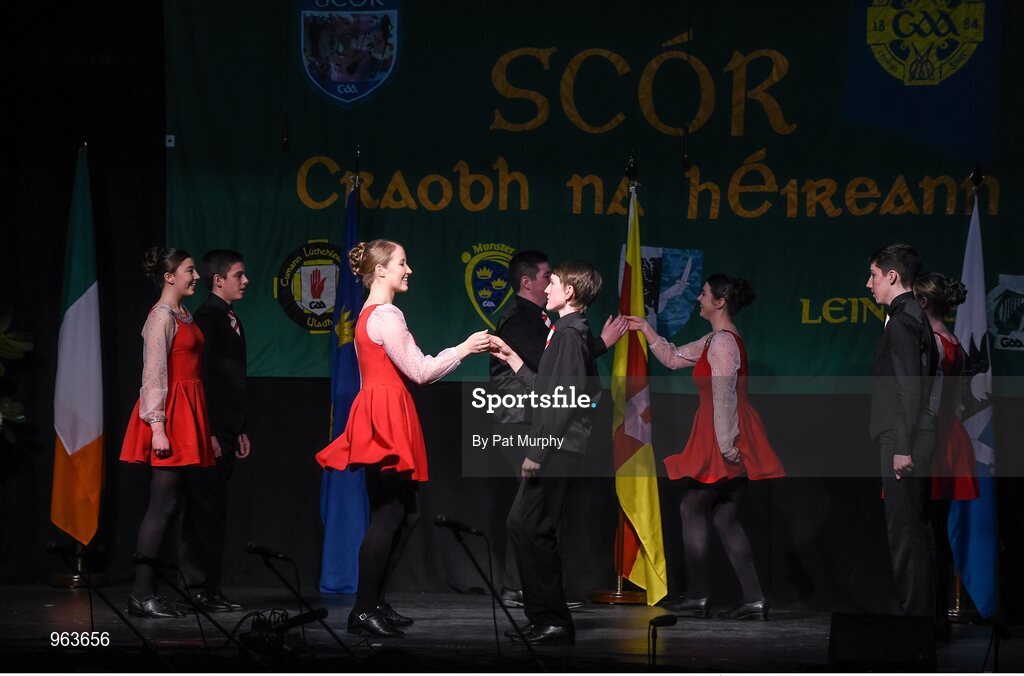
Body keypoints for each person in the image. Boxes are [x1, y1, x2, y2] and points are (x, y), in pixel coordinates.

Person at [316, 239, 491, 638]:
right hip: (385, 415)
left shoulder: (372, 314)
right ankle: (363, 609)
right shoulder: (386, 315)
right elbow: (421, 370)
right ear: (380, 270)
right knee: (389, 515)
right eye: (401, 262)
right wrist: (464, 348)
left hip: (386, 411)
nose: (408, 269)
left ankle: (373, 601)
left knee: (405, 514)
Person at [626, 274, 785, 621]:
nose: (698, 299)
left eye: (703, 294)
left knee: (692, 507)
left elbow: (725, 397)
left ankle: (700, 594)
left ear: (720, 301)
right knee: (724, 517)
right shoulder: (716, 339)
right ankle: (753, 598)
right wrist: (645, 329)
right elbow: (672, 357)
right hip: (720, 432)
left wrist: (728, 446)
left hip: (723, 434)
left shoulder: (724, 343)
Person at [489, 250, 625, 608]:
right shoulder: (560, 331)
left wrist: (536, 452)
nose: (548, 285)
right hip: (552, 438)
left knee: (532, 524)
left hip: (557, 441)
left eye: (554, 281)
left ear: (570, 292)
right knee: (528, 523)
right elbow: (548, 386)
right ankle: (544, 607)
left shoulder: (567, 333)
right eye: (546, 278)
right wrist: (514, 359)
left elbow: (561, 399)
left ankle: (549, 611)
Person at [121, 247, 215, 618]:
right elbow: (154, 374)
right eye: (190, 270)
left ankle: (153, 590)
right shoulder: (161, 317)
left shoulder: (183, 313)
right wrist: (157, 427)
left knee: (174, 505)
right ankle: (140, 593)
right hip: (168, 414)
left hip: (188, 411)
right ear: (169, 276)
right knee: (161, 505)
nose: (195, 276)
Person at [865, 244, 939, 618]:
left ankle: (916, 628)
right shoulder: (912, 315)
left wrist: (902, 446)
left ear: (892, 276)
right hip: (905, 433)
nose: (869, 284)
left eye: (874, 275)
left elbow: (910, 386)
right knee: (913, 531)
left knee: (906, 536)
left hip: (903, 435)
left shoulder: (904, 318)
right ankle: (922, 625)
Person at [180, 249, 250, 613]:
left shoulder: (231, 318)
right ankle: (196, 587)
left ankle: (212, 586)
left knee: (218, 510)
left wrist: (239, 428)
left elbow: (234, 381)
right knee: (202, 510)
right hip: (208, 430)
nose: (245, 281)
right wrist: (206, 432)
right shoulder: (207, 318)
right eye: (238, 275)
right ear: (217, 280)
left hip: (226, 428)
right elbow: (203, 380)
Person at [912, 271, 979, 637]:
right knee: (933, 530)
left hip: (935, 437)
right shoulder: (952, 340)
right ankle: (934, 616)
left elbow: (932, 399)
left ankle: (931, 617)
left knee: (926, 531)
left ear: (923, 303)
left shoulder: (937, 342)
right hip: (948, 435)